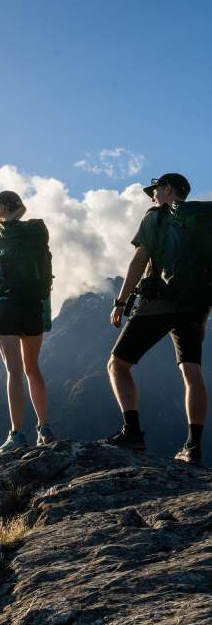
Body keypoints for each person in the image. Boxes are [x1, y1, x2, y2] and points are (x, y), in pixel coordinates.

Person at [106, 172, 210, 464]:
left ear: (168, 190)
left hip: (159, 302)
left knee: (118, 364)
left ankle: (132, 433)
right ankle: (193, 447)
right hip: (195, 306)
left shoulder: (155, 217)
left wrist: (121, 301)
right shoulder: (200, 224)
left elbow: (140, 260)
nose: (152, 195)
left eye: (155, 189)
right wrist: (203, 316)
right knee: (192, 373)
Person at [0, 190, 54, 453]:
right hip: (32, 307)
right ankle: (44, 428)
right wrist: (46, 312)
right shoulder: (35, 234)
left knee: (14, 371)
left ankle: (16, 434)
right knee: (33, 368)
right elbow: (46, 274)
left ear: (0, 208)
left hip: (5, 309)